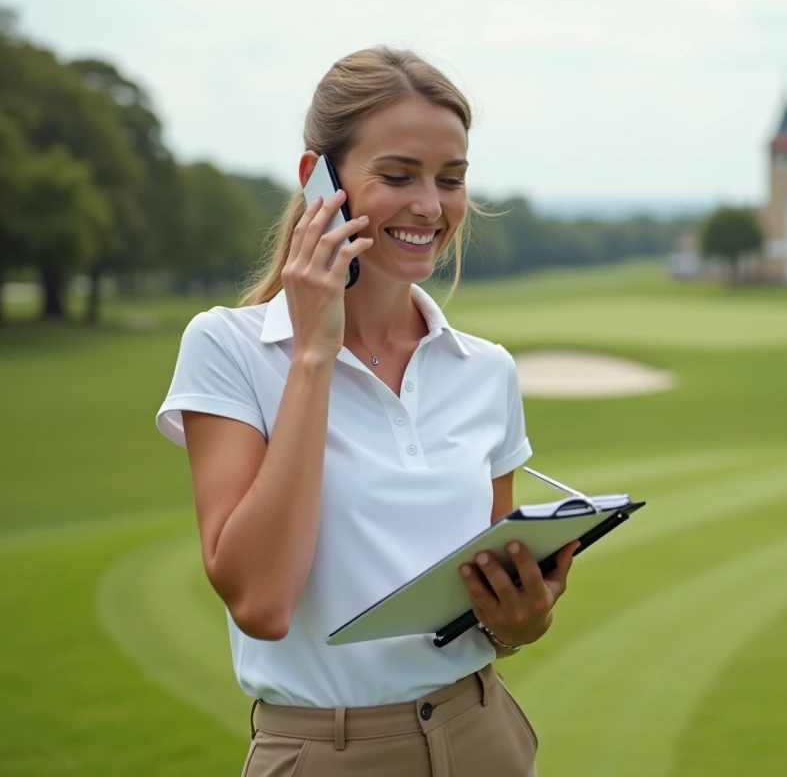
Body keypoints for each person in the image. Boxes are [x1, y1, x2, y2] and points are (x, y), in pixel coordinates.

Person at [154, 45, 577, 776]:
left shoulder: (486, 371)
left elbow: (489, 603)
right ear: (317, 179)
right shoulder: (228, 349)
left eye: (450, 179)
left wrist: (523, 621)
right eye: (397, 174)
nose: (429, 205)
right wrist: (314, 354)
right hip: (326, 751)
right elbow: (261, 603)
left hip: (486, 734)